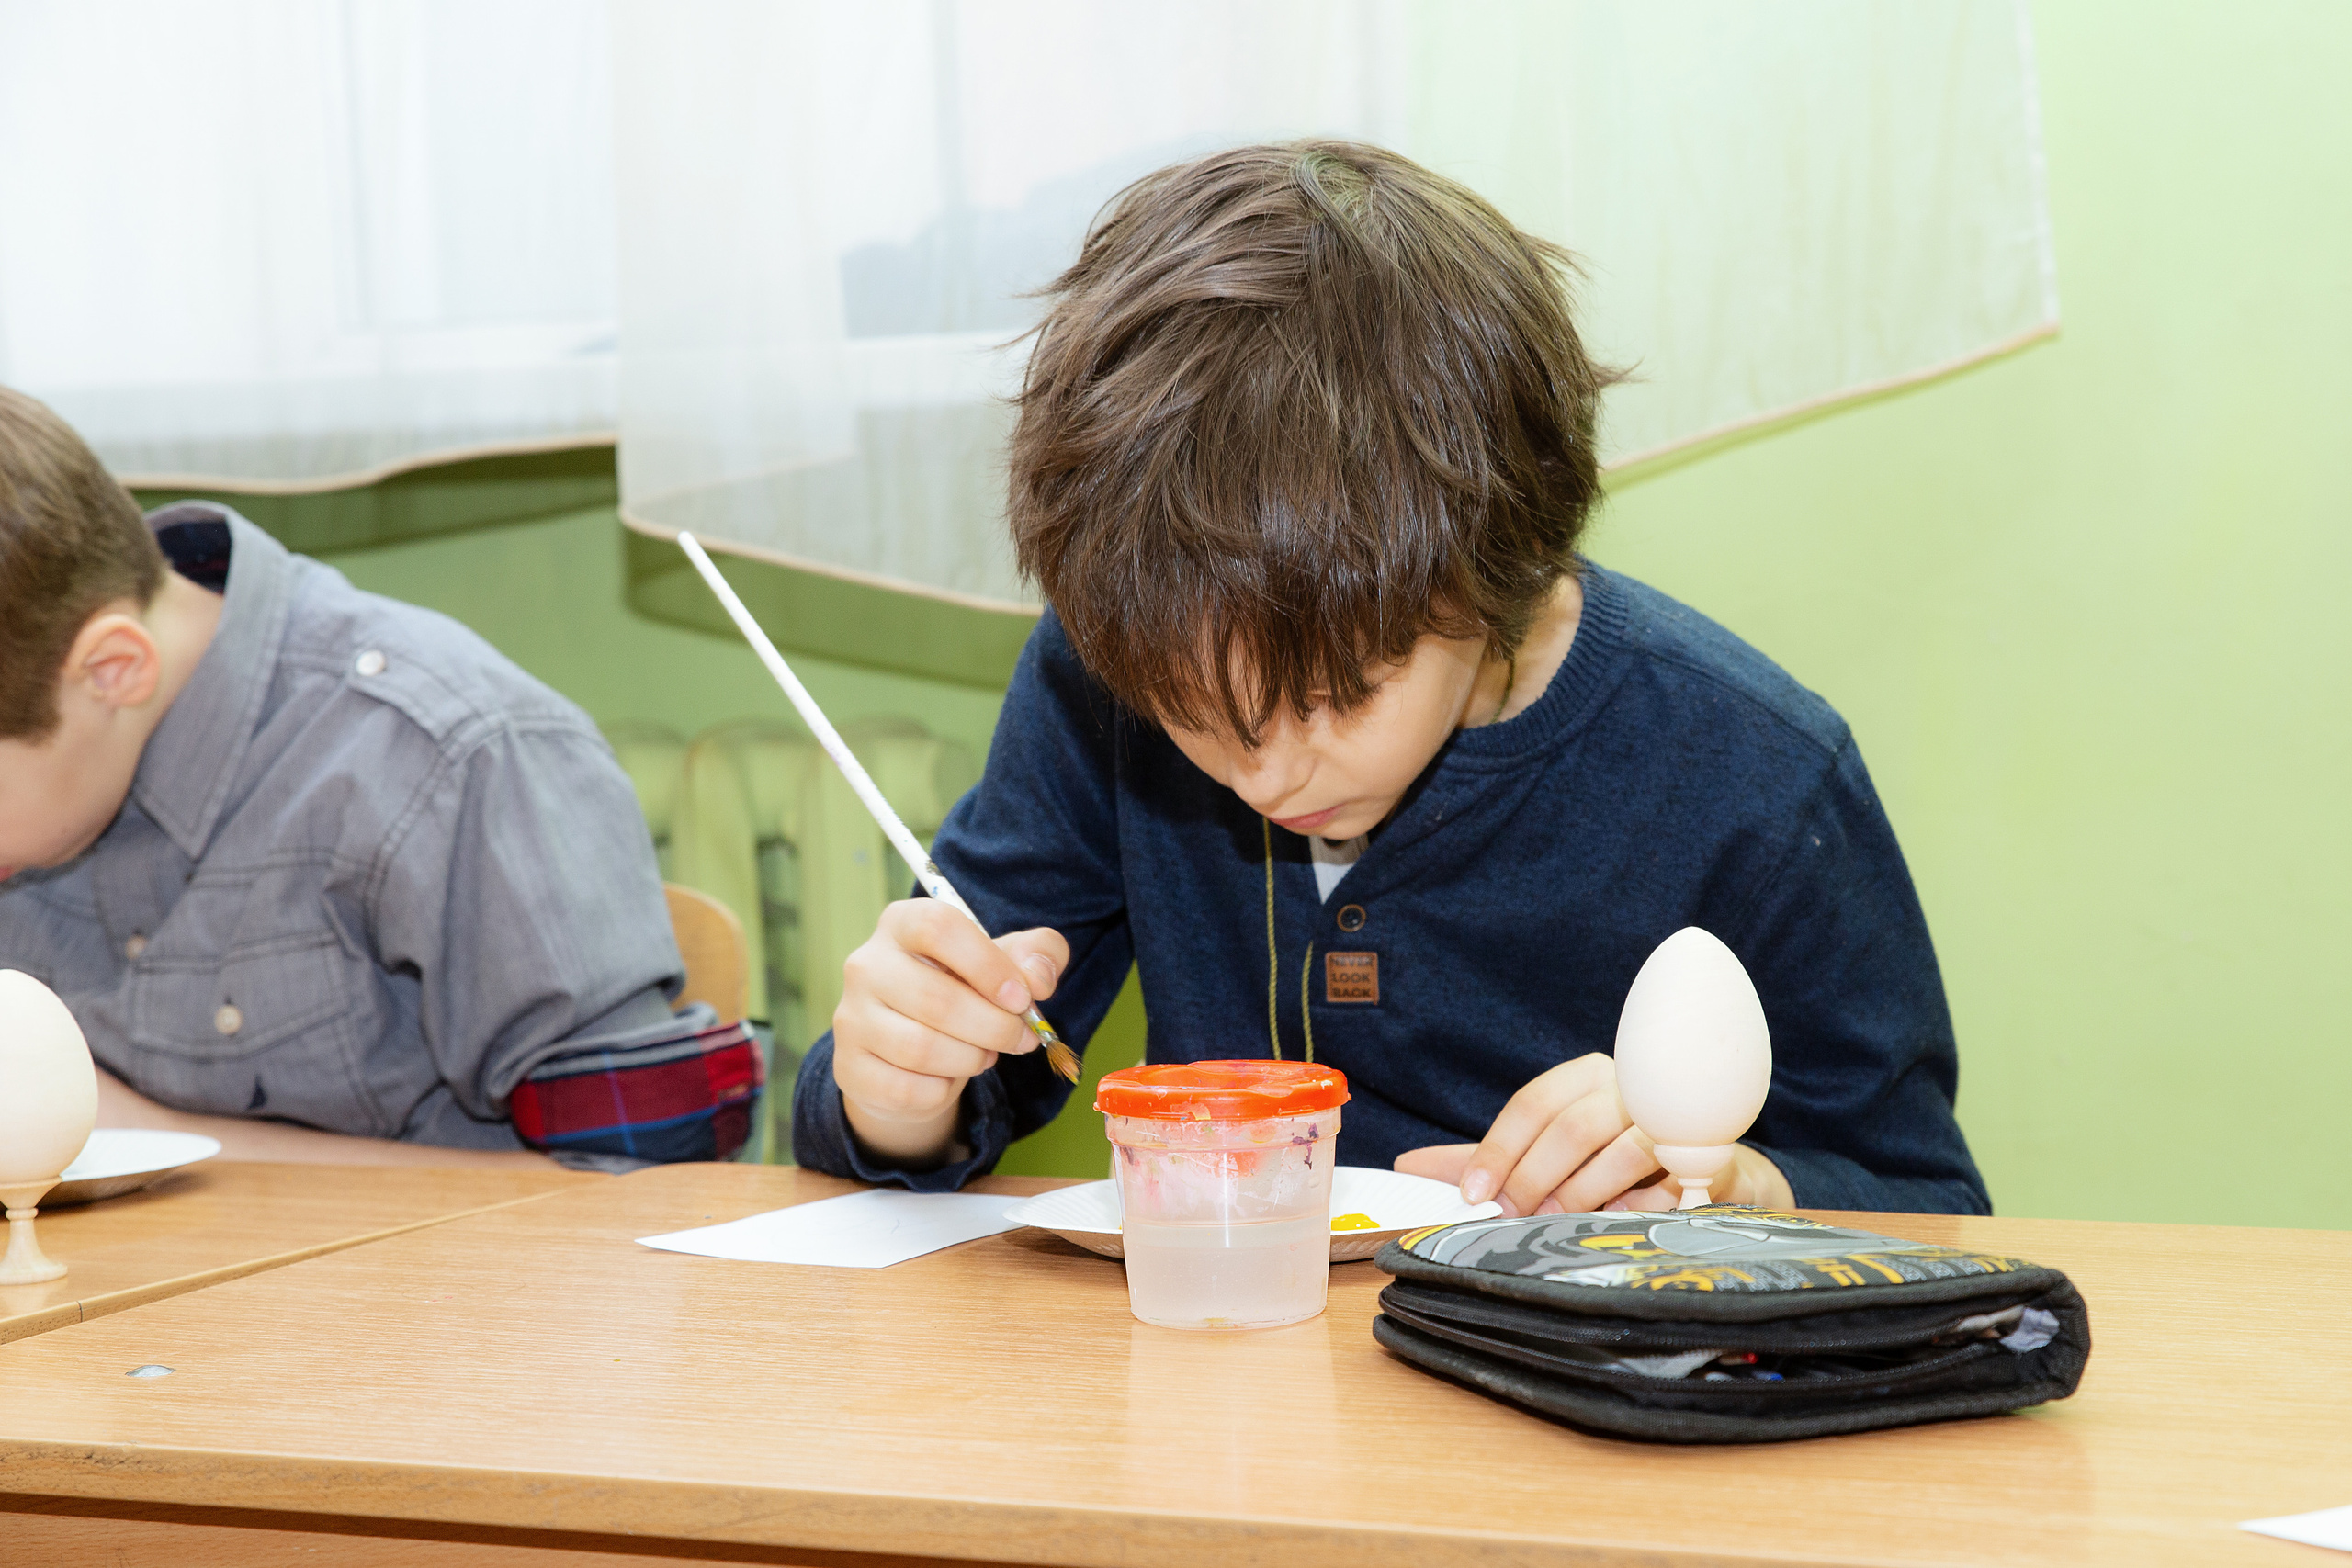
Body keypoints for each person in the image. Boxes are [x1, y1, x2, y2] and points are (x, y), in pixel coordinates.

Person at [794, 141, 1987, 1216]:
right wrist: (900, 1085)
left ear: (1495, 561)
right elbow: (944, 1089)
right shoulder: (1105, 670)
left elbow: (1927, 1202)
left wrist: (1725, 1177)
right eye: (1189, 713)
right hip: (1222, 1384)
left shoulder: (1755, 774)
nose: (1264, 772)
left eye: (1333, 698)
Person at [0, 386, 758, 1168]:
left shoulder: (445, 759)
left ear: (112, 672)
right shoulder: (54, 755)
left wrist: (133, 1132)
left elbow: (648, 1193)